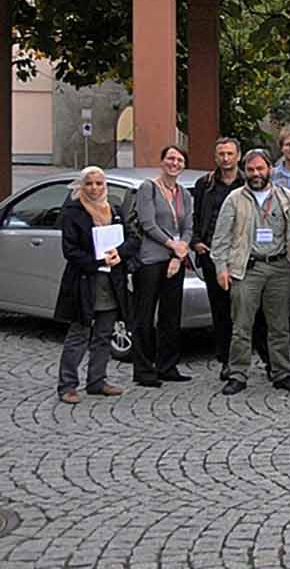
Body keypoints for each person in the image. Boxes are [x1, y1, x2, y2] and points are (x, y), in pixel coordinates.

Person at [210, 148, 290, 395]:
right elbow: (220, 238)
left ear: (270, 169)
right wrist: (221, 267)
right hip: (247, 268)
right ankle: (238, 373)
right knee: (241, 325)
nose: (255, 174)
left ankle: (281, 372)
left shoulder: (286, 197)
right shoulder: (234, 199)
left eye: (260, 168)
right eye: (250, 169)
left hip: (281, 267)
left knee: (280, 325)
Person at [55, 167, 129, 403]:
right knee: (79, 334)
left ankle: (97, 381)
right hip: (85, 282)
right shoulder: (72, 212)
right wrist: (98, 260)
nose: (94, 188)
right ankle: (67, 385)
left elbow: (130, 239)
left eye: (99, 183)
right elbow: (70, 251)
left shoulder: (114, 209)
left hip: (110, 282)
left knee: (104, 334)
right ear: (81, 185)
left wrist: (120, 253)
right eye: (89, 184)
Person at [132, 144, 194, 387]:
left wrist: (179, 255)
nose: (174, 163)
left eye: (179, 160)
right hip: (151, 259)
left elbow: (188, 227)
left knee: (171, 315)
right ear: (162, 161)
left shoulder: (184, 195)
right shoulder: (148, 188)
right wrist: (173, 245)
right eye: (170, 158)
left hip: (175, 261)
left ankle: (168, 366)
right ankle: (144, 369)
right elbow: (148, 224)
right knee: (145, 316)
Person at [191, 136, 242, 380]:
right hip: (213, 254)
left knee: (246, 310)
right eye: (221, 154)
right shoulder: (205, 184)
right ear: (216, 157)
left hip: (242, 256)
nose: (225, 158)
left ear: (238, 156)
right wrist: (197, 241)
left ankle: (255, 357)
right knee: (221, 312)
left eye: (230, 154)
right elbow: (197, 214)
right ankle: (226, 360)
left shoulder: (247, 182)